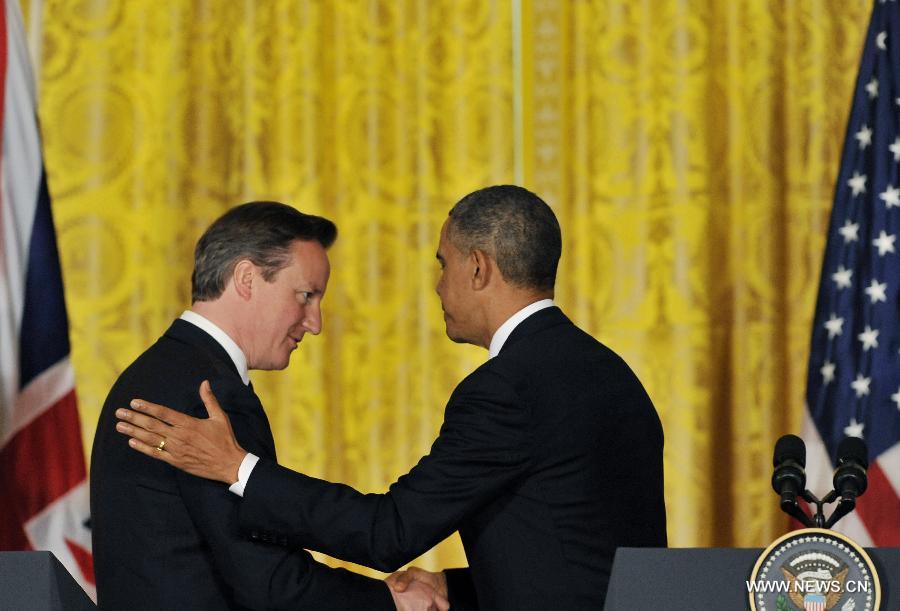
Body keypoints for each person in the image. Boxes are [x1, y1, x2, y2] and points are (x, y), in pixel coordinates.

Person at [116, 186, 668, 609]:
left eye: (442, 263)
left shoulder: (507, 389)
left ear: (478, 268)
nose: (437, 285)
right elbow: (578, 558)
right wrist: (448, 587)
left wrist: (239, 468)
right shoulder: (612, 374)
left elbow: (388, 531)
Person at [90, 202, 447, 610]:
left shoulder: (160, 371)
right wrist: (390, 601)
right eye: (305, 296)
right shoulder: (208, 395)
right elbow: (268, 582)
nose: (315, 322)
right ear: (247, 278)